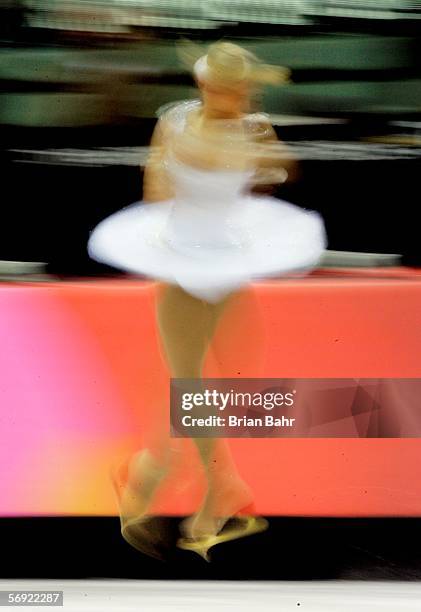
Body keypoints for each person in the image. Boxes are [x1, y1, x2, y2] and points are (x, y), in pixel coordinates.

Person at [88, 40, 327, 561]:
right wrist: (168, 250)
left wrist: (264, 166)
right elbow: (155, 189)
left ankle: (157, 474)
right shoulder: (176, 122)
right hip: (181, 266)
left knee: (233, 387)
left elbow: (275, 176)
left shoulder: (256, 127)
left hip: (230, 266)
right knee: (190, 390)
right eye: (225, 86)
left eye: (241, 87)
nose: (234, 95)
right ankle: (202, 494)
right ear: (206, 85)